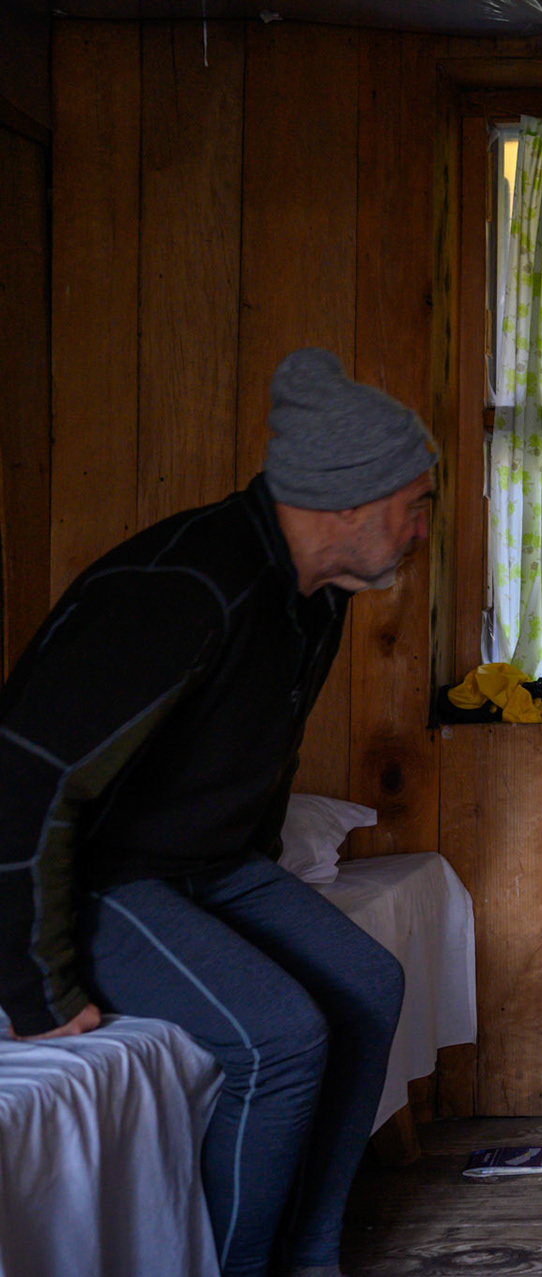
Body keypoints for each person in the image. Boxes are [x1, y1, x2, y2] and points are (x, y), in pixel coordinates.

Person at [0, 348, 437, 1277]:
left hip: (206, 866)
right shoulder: (187, 586)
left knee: (369, 984)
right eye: (414, 505)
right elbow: (24, 776)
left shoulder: (314, 597)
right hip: (104, 873)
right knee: (280, 1038)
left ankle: (307, 1257)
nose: (421, 530)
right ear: (349, 503)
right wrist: (35, 987)